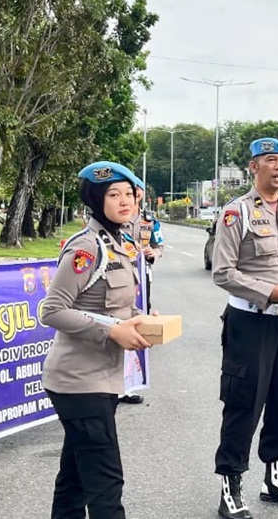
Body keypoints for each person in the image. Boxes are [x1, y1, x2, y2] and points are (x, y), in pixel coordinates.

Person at [41, 160, 153, 519]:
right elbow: (52, 310)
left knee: (74, 477)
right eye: (113, 195)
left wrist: (138, 319)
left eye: (128, 195)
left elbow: (114, 304)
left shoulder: (119, 243)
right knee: (106, 482)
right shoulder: (87, 248)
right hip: (79, 382)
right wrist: (113, 330)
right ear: (95, 200)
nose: (124, 202)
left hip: (101, 378)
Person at [211, 138, 278, 519]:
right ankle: (230, 486)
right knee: (244, 404)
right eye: (271, 160)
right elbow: (223, 273)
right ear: (253, 167)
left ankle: (275, 478)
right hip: (249, 323)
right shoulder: (235, 213)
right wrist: (270, 291)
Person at [119, 181, 163, 404]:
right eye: (128, 191)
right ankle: (116, 386)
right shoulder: (116, 218)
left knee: (138, 321)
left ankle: (130, 384)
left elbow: (160, 246)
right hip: (117, 276)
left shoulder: (149, 221)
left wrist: (152, 252)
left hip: (141, 276)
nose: (133, 195)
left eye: (135, 192)